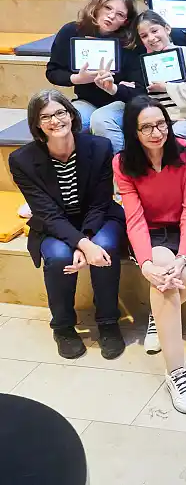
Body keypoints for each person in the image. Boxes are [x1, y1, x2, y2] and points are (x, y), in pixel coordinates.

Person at [9, 90, 125, 360]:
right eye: (45, 116)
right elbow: (47, 214)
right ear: (37, 124)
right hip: (53, 223)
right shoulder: (21, 160)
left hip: (97, 217)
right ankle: (62, 326)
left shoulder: (100, 147)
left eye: (60, 112)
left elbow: (100, 202)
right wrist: (82, 244)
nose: (55, 120)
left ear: (71, 115)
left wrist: (87, 240)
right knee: (60, 256)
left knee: (105, 246)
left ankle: (108, 322)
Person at [114, 96, 186, 415]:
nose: (156, 132)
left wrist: (183, 256)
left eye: (161, 124)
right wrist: (145, 265)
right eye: (146, 127)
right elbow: (134, 218)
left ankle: (159, 314)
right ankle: (177, 374)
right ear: (134, 131)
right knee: (163, 276)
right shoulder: (123, 163)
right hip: (151, 233)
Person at [46, 0, 146, 153]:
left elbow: (140, 91)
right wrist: (77, 79)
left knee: (101, 119)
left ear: (126, 21)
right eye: (108, 8)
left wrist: (114, 88)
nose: (111, 16)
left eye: (120, 14)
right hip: (86, 101)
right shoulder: (72, 31)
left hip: (121, 103)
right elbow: (53, 71)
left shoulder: (132, 42)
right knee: (64, 121)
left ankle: (118, 167)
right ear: (97, 5)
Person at [134, 11, 186, 143]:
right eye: (144, 36)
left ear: (167, 29)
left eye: (154, 31)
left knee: (167, 139)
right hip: (160, 123)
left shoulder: (184, 53)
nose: (151, 38)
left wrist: (166, 87)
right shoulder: (146, 62)